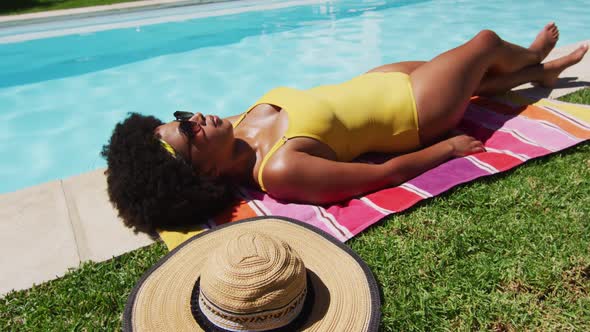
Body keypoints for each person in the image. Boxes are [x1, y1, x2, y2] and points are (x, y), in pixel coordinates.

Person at [102, 23, 588, 235]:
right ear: (202, 174)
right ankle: (532, 58)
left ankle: (533, 75)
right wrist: (447, 149)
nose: (194, 120)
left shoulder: (235, 125)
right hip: (414, 115)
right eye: (187, 135)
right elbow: (380, 176)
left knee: (479, 78)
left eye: (181, 118)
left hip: (377, 82)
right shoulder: (281, 168)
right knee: (482, 45)